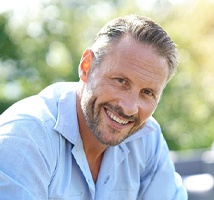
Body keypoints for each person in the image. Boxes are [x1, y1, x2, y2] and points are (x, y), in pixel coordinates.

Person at [0, 14, 187, 199]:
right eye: (120, 81)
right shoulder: (25, 138)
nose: (129, 108)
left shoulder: (147, 139)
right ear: (86, 66)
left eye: (147, 93)